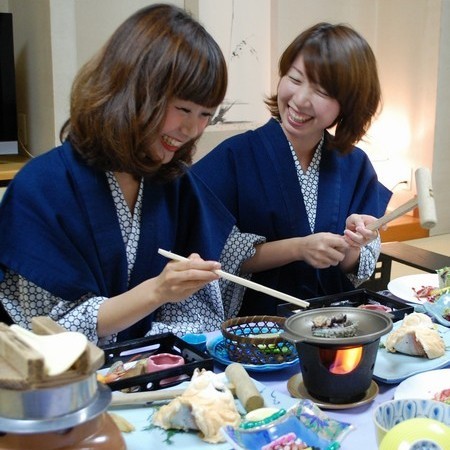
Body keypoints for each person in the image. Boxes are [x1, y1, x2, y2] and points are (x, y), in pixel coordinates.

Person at [0, 4, 263, 345]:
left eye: (205, 114)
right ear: (133, 90)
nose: (190, 128)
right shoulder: (41, 188)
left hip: (156, 374)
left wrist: (153, 352)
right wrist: (157, 290)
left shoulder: (174, 183)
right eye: (182, 108)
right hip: (70, 386)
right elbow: (46, 331)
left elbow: (197, 308)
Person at [192, 22, 393, 316]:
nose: (299, 100)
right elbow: (213, 253)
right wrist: (299, 248)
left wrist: (352, 243)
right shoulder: (235, 156)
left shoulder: (355, 164)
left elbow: (355, 269)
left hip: (334, 326)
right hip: (256, 328)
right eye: (295, 79)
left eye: (322, 91)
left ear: (347, 104)